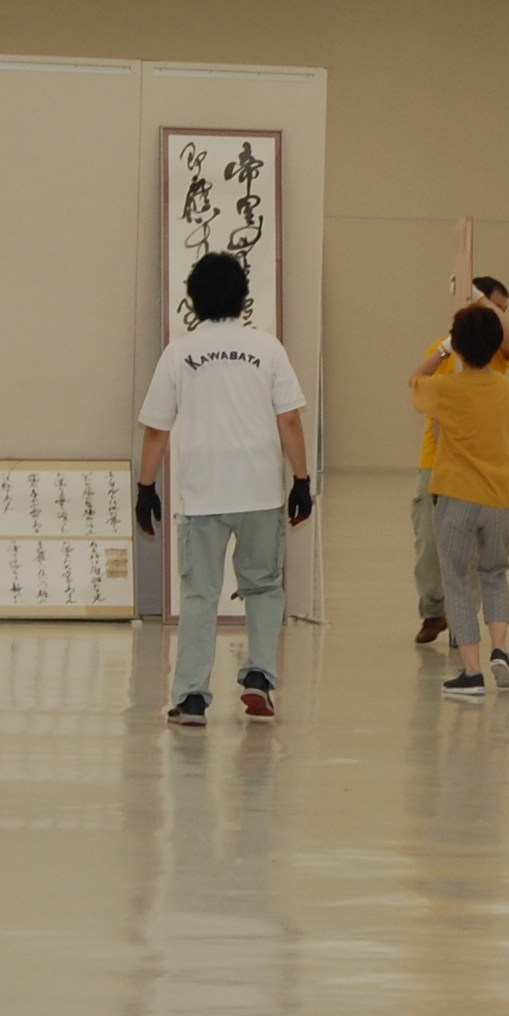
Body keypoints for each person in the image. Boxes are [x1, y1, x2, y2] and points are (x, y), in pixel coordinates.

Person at [137, 251, 314, 728]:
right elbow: (290, 420)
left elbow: (156, 429)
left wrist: (146, 487)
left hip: (203, 494)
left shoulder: (179, 354)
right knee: (263, 587)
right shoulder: (268, 349)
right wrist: (301, 480)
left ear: (193, 300)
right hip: (260, 491)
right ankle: (258, 677)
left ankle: (192, 698)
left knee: (200, 594)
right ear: (243, 298)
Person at [413, 300, 509, 696]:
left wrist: (441, 352)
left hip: (456, 493)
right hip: (500, 495)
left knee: (456, 579)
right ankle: (500, 648)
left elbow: (415, 380)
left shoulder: (446, 388)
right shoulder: (507, 389)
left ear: (457, 345)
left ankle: (471, 671)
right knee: (494, 573)